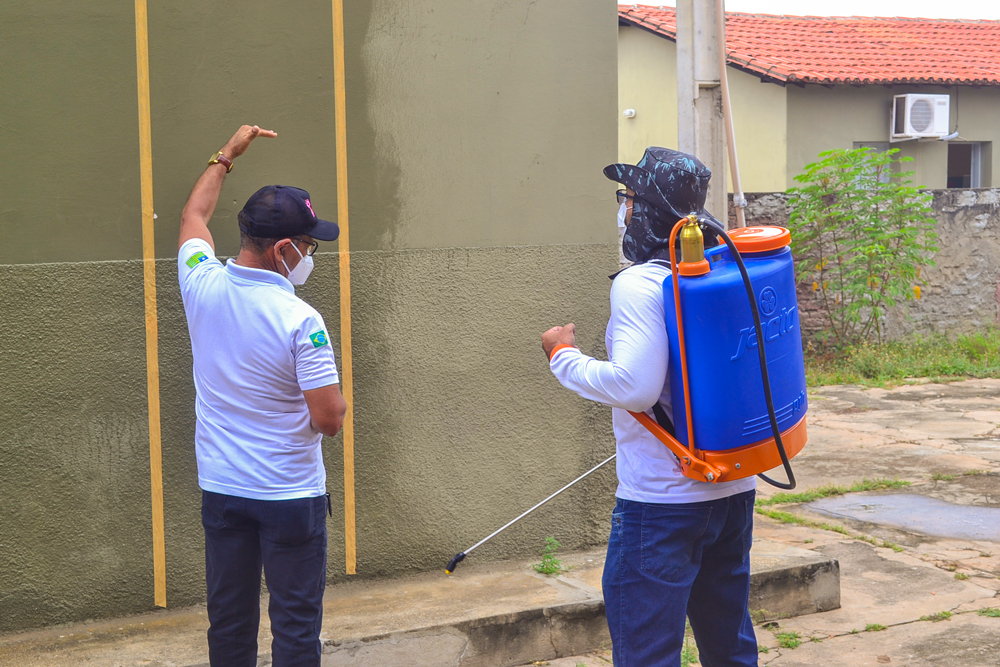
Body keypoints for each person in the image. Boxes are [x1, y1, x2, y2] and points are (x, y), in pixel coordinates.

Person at [541, 148, 758, 667]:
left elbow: (635, 388)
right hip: (732, 487)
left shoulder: (642, 283)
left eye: (628, 198)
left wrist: (562, 357)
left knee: (646, 652)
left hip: (662, 503)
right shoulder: (719, 266)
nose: (623, 208)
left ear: (647, 208)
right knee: (728, 643)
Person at [177, 124, 347, 667]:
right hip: (289, 497)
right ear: (283, 249)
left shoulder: (201, 282)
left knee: (229, 621)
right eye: (309, 244)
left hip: (223, 491)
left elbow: (193, 219)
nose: (310, 252)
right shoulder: (301, 319)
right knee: (296, 626)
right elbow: (329, 420)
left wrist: (226, 156)